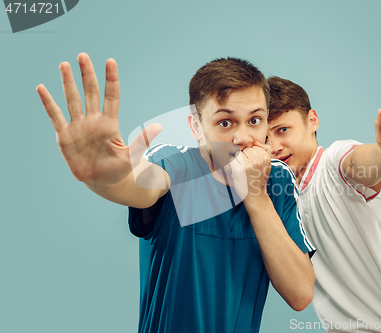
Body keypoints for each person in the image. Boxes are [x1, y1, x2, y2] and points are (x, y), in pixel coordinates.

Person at [36, 53, 315, 333]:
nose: (242, 138)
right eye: (225, 123)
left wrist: (256, 197)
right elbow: (141, 186)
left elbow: (300, 294)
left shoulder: (278, 180)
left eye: (255, 121)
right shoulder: (176, 164)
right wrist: (105, 178)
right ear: (196, 126)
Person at [266, 69, 381, 333]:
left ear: (312, 120)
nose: (274, 147)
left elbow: (363, 163)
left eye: (283, 130)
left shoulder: (335, 163)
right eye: (265, 139)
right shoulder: (281, 200)